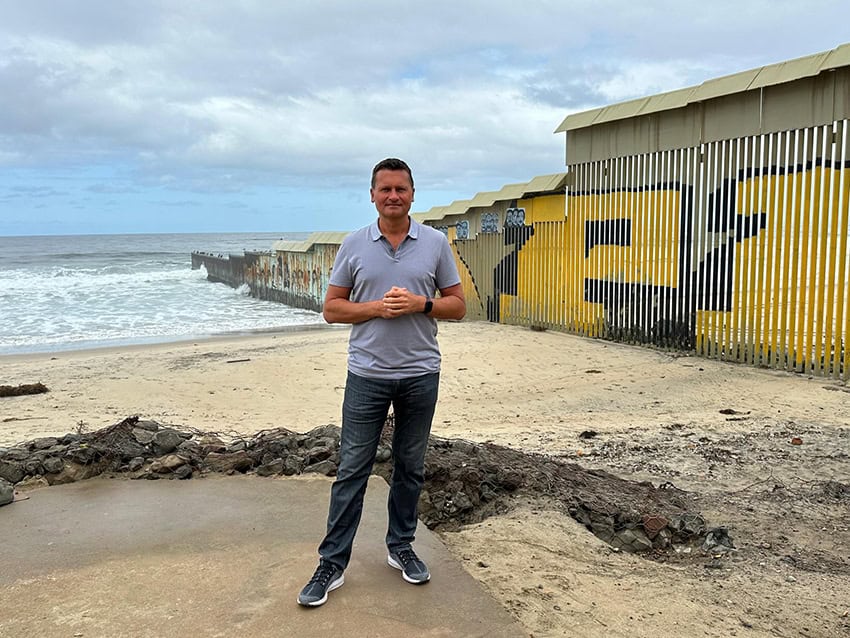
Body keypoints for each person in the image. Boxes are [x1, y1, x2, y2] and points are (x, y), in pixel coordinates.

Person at [297, 158, 466, 607]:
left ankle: (401, 547)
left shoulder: (434, 243)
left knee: (410, 467)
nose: (393, 196)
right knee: (352, 470)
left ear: (413, 194)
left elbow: (457, 305)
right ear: (372, 195)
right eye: (385, 189)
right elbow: (332, 309)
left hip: (420, 375)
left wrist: (419, 304)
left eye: (401, 189)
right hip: (367, 375)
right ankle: (331, 563)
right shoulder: (354, 244)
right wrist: (375, 308)